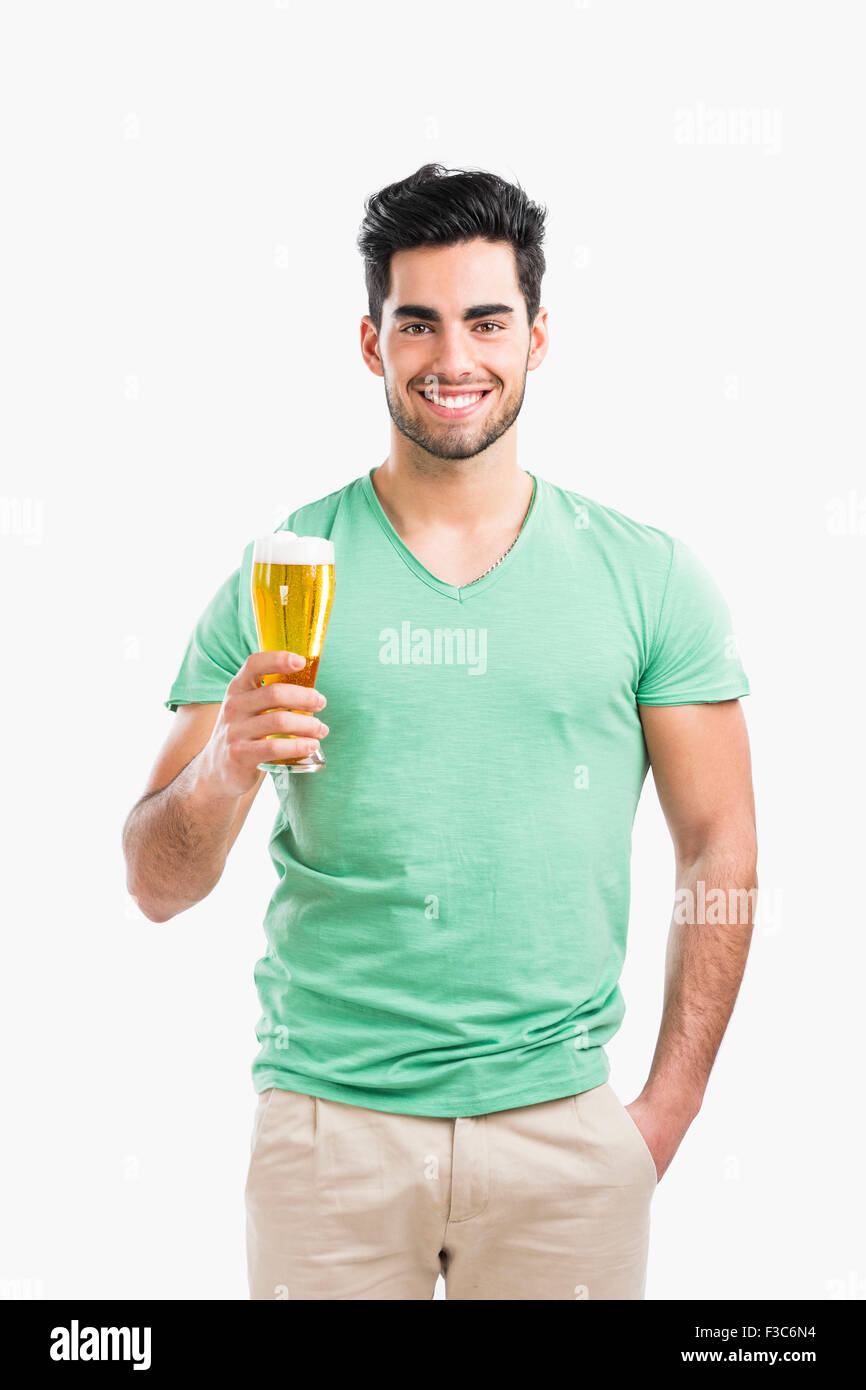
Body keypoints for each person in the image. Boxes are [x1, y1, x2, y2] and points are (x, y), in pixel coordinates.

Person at [122, 163, 757, 1301]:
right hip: (328, 1138)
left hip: (563, 1139)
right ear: (371, 343)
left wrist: (664, 1110)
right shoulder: (281, 573)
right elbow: (154, 884)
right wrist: (224, 762)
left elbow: (719, 845)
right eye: (416, 323)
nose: (451, 359)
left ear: (537, 336)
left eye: (484, 320)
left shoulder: (647, 578)